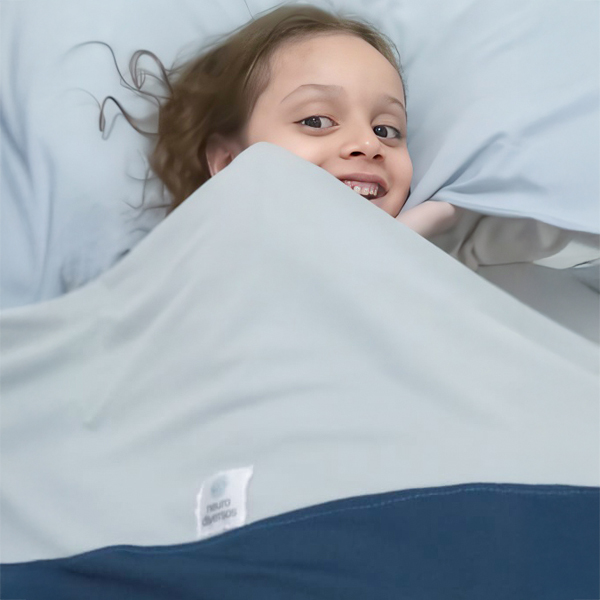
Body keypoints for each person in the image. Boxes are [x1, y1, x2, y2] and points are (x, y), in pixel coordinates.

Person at [103, 3, 459, 238]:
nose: (369, 144)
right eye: (317, 121)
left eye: (386, 129)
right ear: (228, 161)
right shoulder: (200, 273)